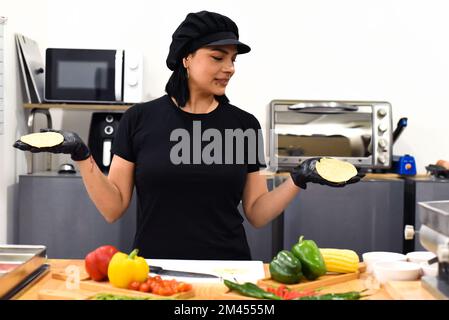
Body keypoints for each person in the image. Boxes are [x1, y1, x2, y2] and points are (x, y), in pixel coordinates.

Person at [14, 11, 364, 260]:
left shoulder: (243, 125)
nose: (229, 68)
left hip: (229, 270)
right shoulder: (140, 119)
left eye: (232, 59)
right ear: (186, 58)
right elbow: (113, 207)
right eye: (217, 57)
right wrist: (82, 155)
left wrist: (298, 178)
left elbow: (256, 212)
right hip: (154, 270)